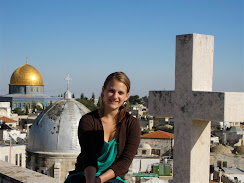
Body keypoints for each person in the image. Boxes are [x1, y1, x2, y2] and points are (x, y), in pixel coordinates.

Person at [65, 72, 141, 183]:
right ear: (103, 90)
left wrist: (99, 180)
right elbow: (88, 157)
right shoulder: (88, 120)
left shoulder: (132, 124)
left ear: (126, 96)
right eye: (111, 91)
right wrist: (91, 181)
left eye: (120, 93)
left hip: (114, 177)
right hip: (85, 174)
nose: (115, 96)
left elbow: (125, 161)